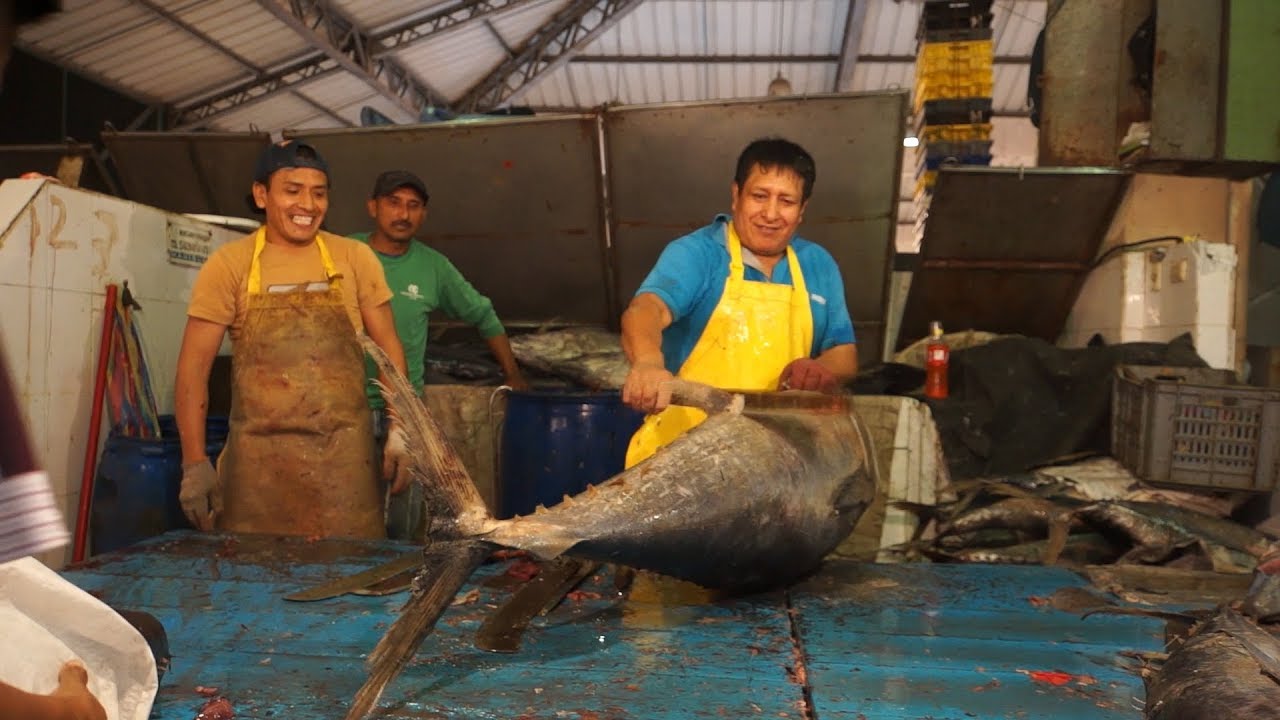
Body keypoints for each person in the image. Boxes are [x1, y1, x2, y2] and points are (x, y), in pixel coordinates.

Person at [174, 140, 410, 539]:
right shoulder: (230, 264)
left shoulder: (353, 258)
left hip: (345, 468)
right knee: (255, 584)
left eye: (319, 193)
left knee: (349, 585)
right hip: (257, 475)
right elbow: (193, 371)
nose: (308, 205)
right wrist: (194, 463)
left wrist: (401, 429)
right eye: (293, 190)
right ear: (261, 194)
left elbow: (389, 348)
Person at [619, 137, 858, 467]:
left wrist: (820, 370)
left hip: (778, 461)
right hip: (679, 459)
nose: (771, 214)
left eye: (786, 201)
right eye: (759, 196)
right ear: (736, 195)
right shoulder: (697, 254)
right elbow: (647, 309)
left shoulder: (818, 264)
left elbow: (844, 353)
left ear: (802, 210)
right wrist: (647, 362)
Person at [350, 169, 528, 539]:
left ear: (424, 214)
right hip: (345, 409)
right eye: (393, 203)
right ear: (372, 207)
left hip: (406, 410)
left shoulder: (433, 267)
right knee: (350, 517)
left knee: (403, 515)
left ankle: (396, 590)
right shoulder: (344, 252)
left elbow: (483, 314)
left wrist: (513, 375)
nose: (403, 214)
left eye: (413, 206)